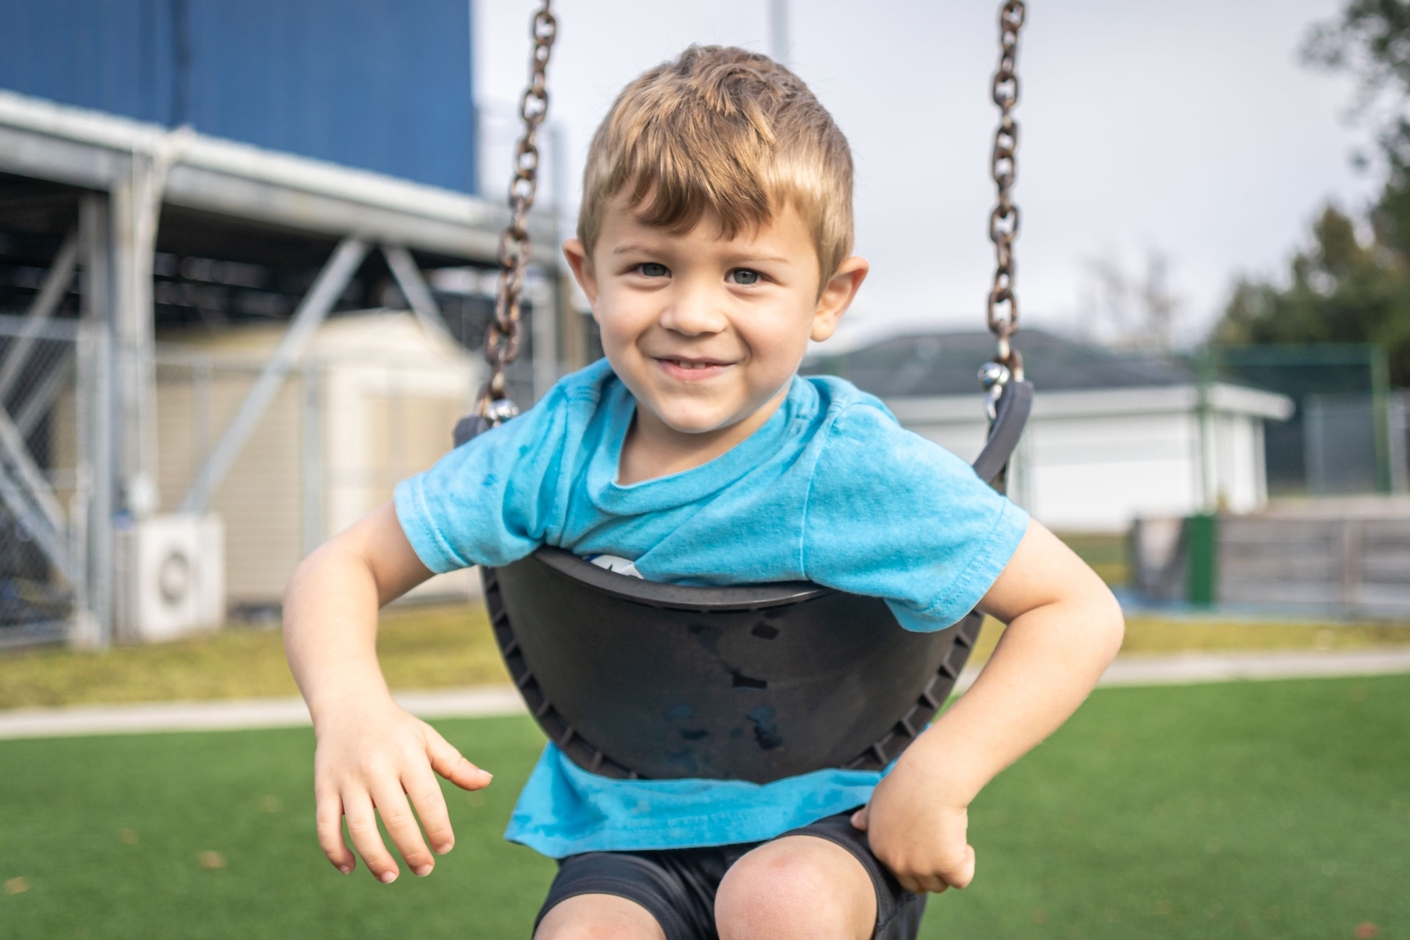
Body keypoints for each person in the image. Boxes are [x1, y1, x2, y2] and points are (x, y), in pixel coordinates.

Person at [283, 45, 1124, 940]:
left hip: (832, 825)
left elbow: (1075, 610)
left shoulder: (848, 466)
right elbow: (344, 566)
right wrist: (352, 708)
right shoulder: (551, 452)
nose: (692, 312)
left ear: (829, 298)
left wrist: (940, 774)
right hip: (627, 828)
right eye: (650, 268)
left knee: (779, 905)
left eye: (746, 275)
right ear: (586, 276)